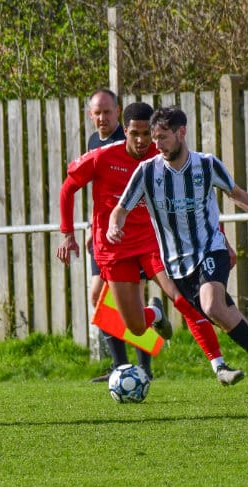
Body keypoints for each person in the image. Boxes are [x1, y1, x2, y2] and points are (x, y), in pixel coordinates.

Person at [109, 107, 248, 396]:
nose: (157, 145)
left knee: (212, 307)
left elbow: (236, 193)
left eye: (163, 137)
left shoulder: (207, 165)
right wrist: (114, 226)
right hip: (178, 268)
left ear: (181, 132)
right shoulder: (147, 172)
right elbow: (121, 208)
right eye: (154, 139)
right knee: (233, 321)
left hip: (211, 250)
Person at [57, 102, 248, 386]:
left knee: (184, 301)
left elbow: (198, 202)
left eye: (146, 133)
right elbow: (67, 188)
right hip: (116, 249)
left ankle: (219, 366)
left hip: (155, 245)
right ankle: (155, 314)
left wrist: (223, 240)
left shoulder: (163, 157)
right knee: (136, 327)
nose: (141, 140)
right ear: (124, 131)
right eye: (134, 133)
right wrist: (67, 234)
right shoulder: (102, 157)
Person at [82, 89, 153, 382]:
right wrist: (92, 225)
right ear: (90, 115)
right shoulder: (94, 142)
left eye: (107, 112)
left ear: (118, 112)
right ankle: (122, 366)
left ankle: (142, 366)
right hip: (104, 236)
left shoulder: (129, 142)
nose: (102, 118)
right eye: (97, 113)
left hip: (130, 236)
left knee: (128, 300)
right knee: (98, 297)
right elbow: (100, 190)